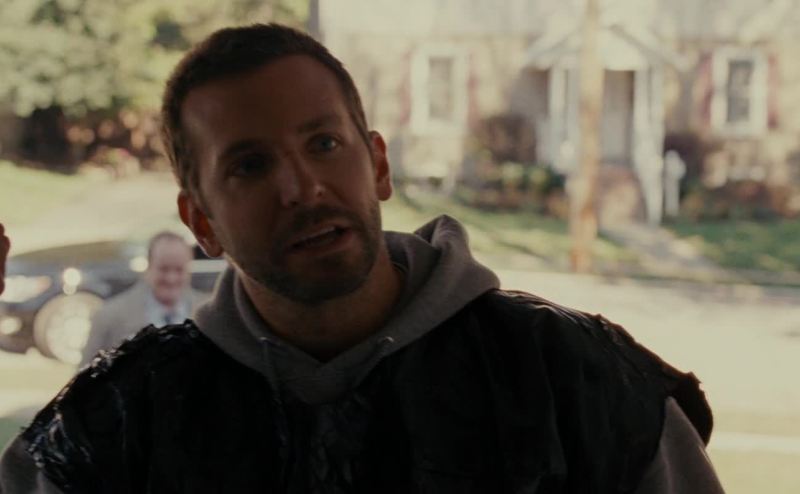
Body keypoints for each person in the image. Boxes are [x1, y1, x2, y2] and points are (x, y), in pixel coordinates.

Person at [0, 24, 724, 493]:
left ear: (377, 164)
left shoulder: (576, 384)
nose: (301, 188)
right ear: (202, 223)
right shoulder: (126, 423)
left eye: (324, 144)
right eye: (250, 166)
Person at [79, 231, 208, 367]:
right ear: (149, 266)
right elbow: (84, 376)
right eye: (164, 269)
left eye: (179, 270)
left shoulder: (208, 315)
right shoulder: (109, 317)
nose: (171, 279)